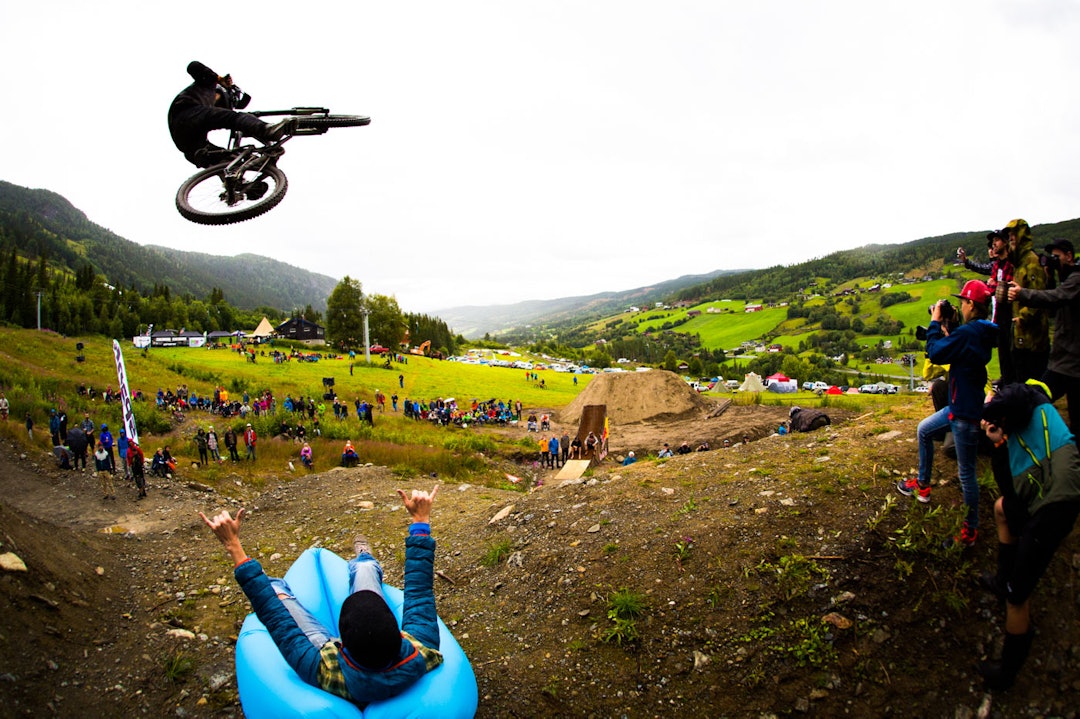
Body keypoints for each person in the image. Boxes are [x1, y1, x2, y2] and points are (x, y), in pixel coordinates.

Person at [198, 486, 444, 707]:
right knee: (366, 569)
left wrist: (233, 544)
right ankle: (363, 557)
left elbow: (275, 616)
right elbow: (419, 591)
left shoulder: (320, 668)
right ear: (399, 636)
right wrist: (420, 521)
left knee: (274, 591)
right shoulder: (422, 647)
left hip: (326, 649)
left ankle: (286, 580)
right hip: (368, 652)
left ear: (342, 645)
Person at [975, 382, 1080, 689]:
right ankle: (1001, 577)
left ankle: (1007, 672)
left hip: (1054, 510)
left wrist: (997, 445)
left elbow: (1012, 489)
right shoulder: (1038, 409)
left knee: (1017, 597)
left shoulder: (1017, 428)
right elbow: (1010, 502)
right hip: (1054, 495)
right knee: (1000, 509)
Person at [896, 280, 997, 547]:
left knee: (966, 474)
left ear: (971, 305)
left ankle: (969, 532)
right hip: (960, 404)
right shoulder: (979, 332)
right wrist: (948, 326)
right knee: (924, 430)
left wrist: (934, 322)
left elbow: (936, 352)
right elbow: (958, 344)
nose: (961, 305)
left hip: (965, 413)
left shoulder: (969, 334)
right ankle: (923, 485)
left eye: (963, 301)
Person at [1008, 238, 1079, 449]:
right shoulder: (1067, 279)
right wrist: (1049, 277)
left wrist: (1023, 294)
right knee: (1038, 396)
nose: (1054, 262)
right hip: (1062, 361)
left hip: (1073, 363)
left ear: (1069, 255)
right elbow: (1052, 305)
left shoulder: (1077, 279)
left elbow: (1056, 298)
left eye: (1057, 257)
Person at [168, 61, 291, 167]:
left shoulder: (208, 110)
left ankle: (236, 186)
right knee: (234, 118)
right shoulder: (208, 82)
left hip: (186, 141)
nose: (221, 107)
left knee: (221, 159)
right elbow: (193, 66)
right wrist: (218, 79)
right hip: (187, 114)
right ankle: (267, 130)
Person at [959, 230, 1015, 381]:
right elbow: (990, 289)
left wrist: (994, 285)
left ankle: (1010, 382)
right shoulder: (996, 265)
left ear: (1005, 242)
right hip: (998, 314)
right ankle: (1005, 379)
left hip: (1011, 314)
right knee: (1002, 350)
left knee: (1010, 351)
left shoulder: (1012, 264)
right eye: (992, 242)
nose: (993, 245)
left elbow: (1008, 287)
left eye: (997, 240)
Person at [1003, 219, 1049, 383]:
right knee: (1020, 381)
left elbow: (1039, 295)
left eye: (1013, 234)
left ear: (1022, 234)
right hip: (1021, 337)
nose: (1011, 238)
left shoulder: (1032, 262)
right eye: (1009, 235)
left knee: (1032, 384)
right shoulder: (1019, 263)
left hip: (1033, 340)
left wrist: (1022, 317)